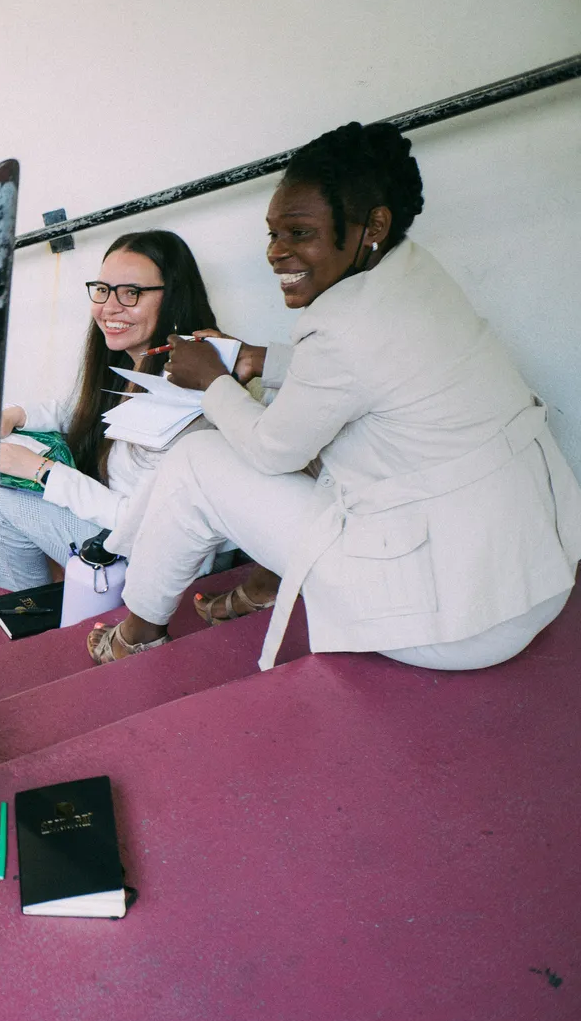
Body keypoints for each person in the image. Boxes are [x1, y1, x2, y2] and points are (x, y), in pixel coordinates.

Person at [89, 122, 581, 670]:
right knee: (314, 445)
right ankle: (261, 588)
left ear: (373, 223)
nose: (277, 253)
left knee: (196, 462)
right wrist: (257, 358)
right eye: (273, 233)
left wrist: (213, 381)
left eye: (300, 233)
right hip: (535, 579)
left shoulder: (342, 326)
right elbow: (368, 372)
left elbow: (275, 450)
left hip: (457, 628)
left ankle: (136, 635)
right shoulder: (414, 274)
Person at [0, 230, 232, 590]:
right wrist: (17, 414)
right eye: (103, 289)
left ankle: (31, 609)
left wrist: (42, 471)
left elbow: (146, 523)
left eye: (130, 293)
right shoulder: (139, 365)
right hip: (128, 532)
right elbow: (81, 411)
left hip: (161, 558)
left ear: (174, 298)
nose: (109, 307)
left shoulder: (189, 388)